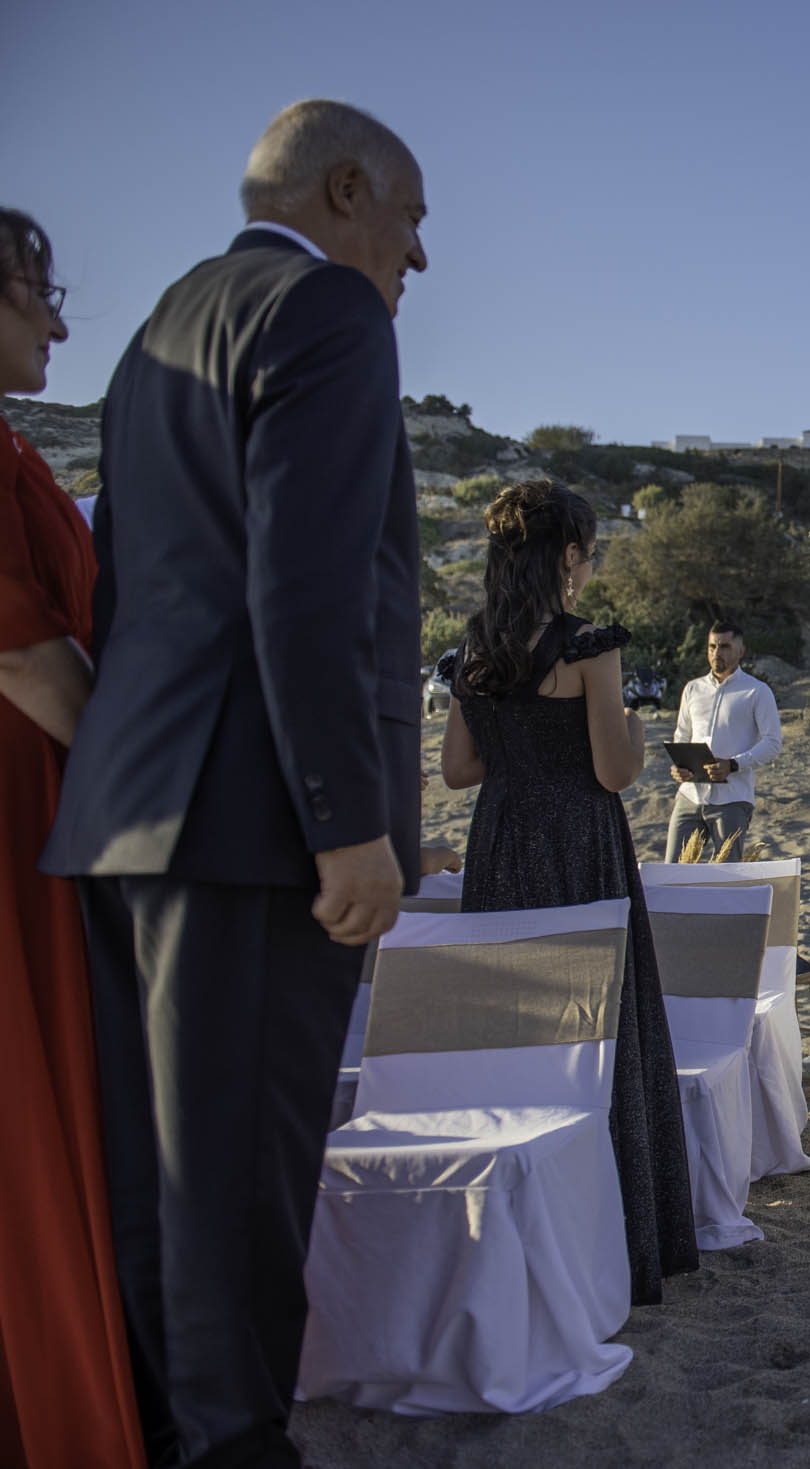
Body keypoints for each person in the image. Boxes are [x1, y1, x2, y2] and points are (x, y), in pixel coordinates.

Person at [39, 101, 429, 1468]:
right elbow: (307, 589)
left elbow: (133, 579)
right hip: (257, 818)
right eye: (411, 218)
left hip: (123, 810)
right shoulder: (325, 313)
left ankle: (166, 1433)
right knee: (243, 1183)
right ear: (343, 191)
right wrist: (348, 824)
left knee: (157, 1174)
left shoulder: (155, 335)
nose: (417, 258)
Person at [438, 479, 697, 1300]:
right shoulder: (587, 645)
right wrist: (639, 735)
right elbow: (612, 770)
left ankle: (516, 1240)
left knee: (512, 1034)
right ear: (569, 556)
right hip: (579, 842)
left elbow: (457, 771)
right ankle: (612, 1240)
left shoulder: (475, 649)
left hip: (501, 838)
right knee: (597, 1032)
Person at [0, 209, 141, 1469]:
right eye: (38, 292)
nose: (57, 317)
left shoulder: (16, 453)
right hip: (27, 813)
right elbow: (35, 664)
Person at [665, 621, 781, 862]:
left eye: (725, 646)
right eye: (712, 646)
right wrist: (678, 766)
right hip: (690, 795)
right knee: (672, 871)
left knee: (726, 876)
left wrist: (733, 764)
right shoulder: (692, 689)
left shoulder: (757, 691)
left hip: (732, 798)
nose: (717, 652)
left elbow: (772, 743)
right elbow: (682, 734)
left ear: (741, 651)